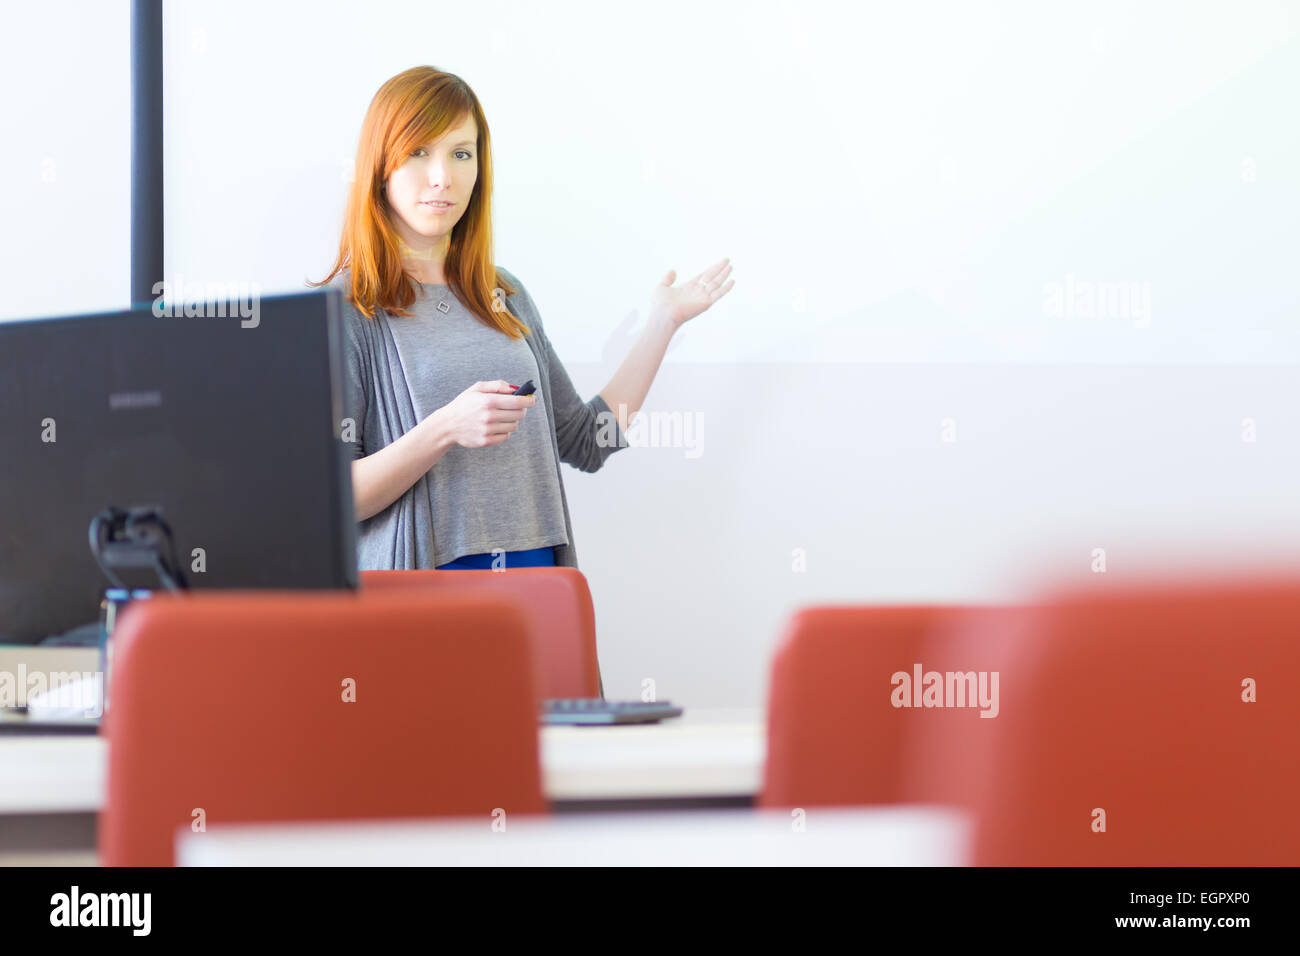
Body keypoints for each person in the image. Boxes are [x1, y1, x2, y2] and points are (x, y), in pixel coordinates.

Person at [313, 65, 734, 574]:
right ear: (381, 164)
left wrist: (663, 323)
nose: (443, 176)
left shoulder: (504, 294)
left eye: (461, 154)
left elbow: (586, 440)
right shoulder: (350, 307)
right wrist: (444, 428)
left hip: (534, 579)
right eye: (419, 151)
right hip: (426, 589)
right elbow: (330, 499)